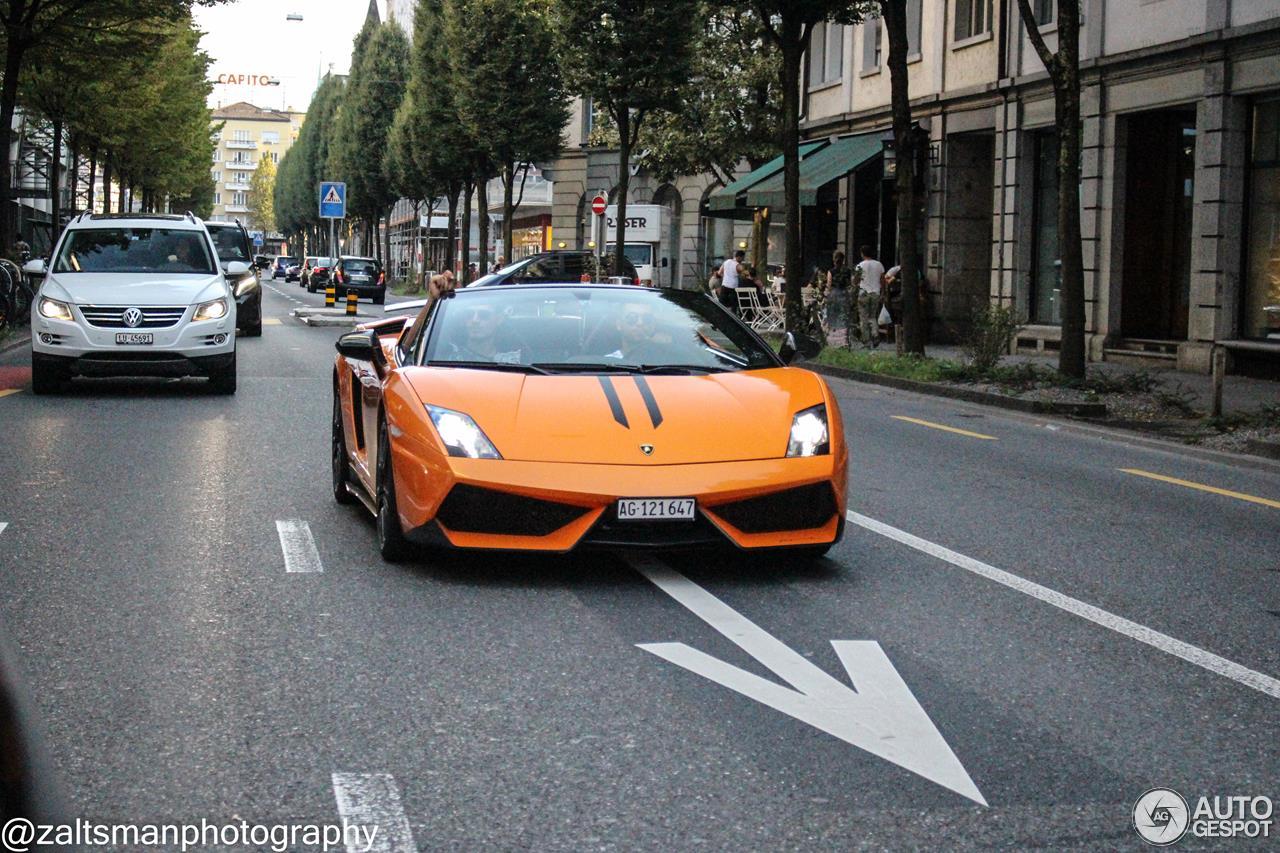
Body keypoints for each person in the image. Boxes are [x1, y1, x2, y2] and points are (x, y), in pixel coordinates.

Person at [449, 301, 521, 363]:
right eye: (469, 314)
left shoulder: (514, 360)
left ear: (499, 319)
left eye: (484, 315)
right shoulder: (446, 354)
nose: (475, 320)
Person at [854, 245, 886, 348]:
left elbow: (855, 280)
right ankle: (876, 335)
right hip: (875, 293)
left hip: (863, 293)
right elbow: (883, 280)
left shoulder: (860, 266)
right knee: (872, 316)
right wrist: (882, 292)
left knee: (863, 318)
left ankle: (866, 341)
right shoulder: (879, 265)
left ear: (862, 254)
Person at [826, 251, 853, 333]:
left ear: (834, 260)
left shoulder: (831, 271)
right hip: (844, 294)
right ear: (843, 259)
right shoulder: (848, 271)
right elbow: (850, 283)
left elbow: (829, 285)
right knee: (844, 314)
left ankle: (834, 332)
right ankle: (844, 332)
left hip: (834, 294)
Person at [716, 249, 745, 315]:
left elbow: (719, 272)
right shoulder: (738, 265)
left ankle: (721, 316)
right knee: (733, 306)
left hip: (725, 285)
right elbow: (744, 273)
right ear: (739, 257)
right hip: (733, 287)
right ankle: (733, 318)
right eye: (743, 258)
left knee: (722, 304)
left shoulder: (726, 262)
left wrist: (726, 276)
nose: (743, 260)